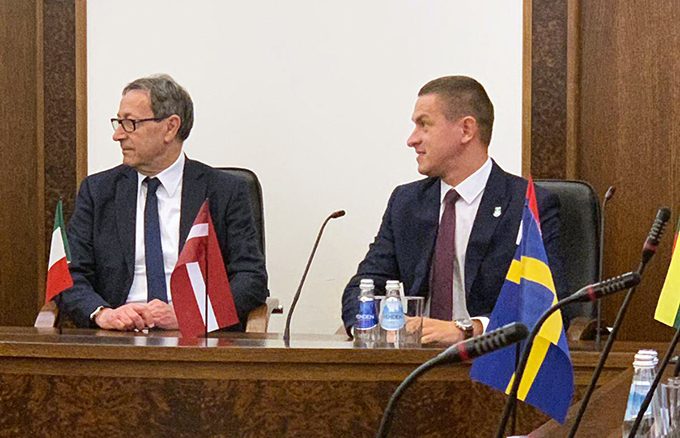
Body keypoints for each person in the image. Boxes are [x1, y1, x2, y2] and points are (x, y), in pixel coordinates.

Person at [341, 76, 565, 344]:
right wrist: (375, 328)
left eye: (424, 125)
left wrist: (470, 329)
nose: (411, 140)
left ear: (466, 130)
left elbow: (550, 304)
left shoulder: (527, 205)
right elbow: (363, 286)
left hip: (493, 359)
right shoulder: (406, 202)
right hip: (413, 357)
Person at [60, 74, 267, 331]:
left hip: (196, 338)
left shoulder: (224, 191)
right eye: (118, 123)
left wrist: (190, 315)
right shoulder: (98, 191)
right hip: (117, 337)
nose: (118, 135)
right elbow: (69, 274)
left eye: (130, 123)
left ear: (170, 127)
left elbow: (251, 278)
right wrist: (103, 314)